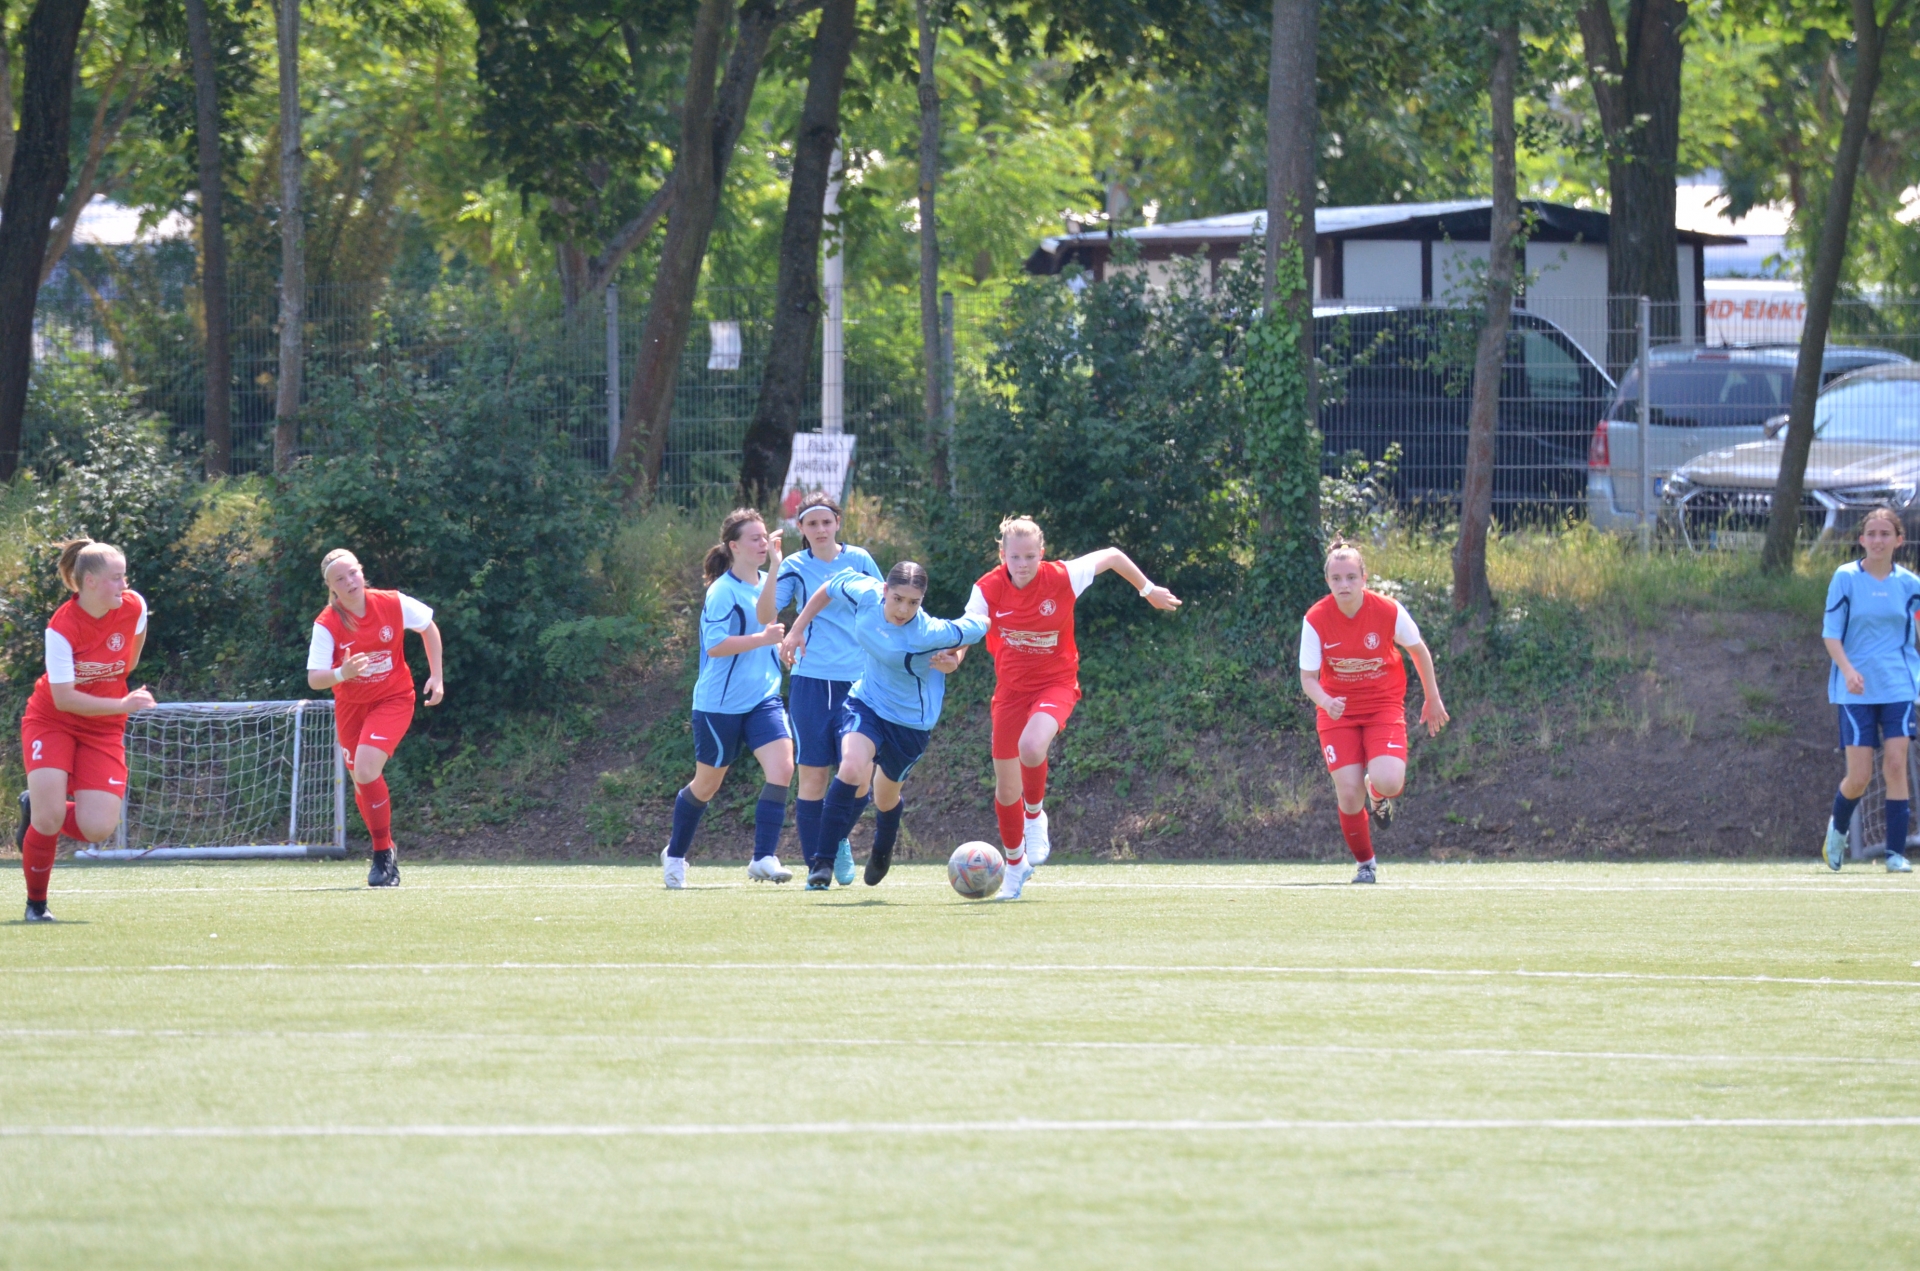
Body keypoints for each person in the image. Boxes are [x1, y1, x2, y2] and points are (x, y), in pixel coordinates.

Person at [947, 516, 1181, 901]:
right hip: (1010, 693)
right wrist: (954, 658)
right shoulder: (987, 588)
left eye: (1030, 556)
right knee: (1006, 789)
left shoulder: (1062, 576)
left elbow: (1113, 556)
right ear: (1002, 555)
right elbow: (968, 630)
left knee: (1031, 746)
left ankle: (1035, 816)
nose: (1023, 564)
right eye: (1015, 557)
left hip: (1055, 684)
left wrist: (1148, 589)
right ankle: (1015, 866)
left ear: (1042, 553)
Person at [780, 561, 984, 889]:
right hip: (867, 703)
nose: (903, 610)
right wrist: (797, 628)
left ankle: (882, 847)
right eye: (898, 599)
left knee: (885, 798)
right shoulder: (866, 593)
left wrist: (955, 659)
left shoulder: (929, 632)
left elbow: (976, 627)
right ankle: (822, 863)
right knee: (850, 766)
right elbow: (829, 587)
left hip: (910, 723)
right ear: (885, 590)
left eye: (914, 602)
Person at [14, 539, 156, 921]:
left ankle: (36, 804)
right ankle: (36, 904)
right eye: (115, 578)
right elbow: (64, 700)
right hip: (52, 720)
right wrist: (122, 705)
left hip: (103, 727)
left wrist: (114, 701)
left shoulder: (134, 606)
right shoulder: (61, 627)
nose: (124, 585)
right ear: (89, 582)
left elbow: (129, 660)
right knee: (48, 819)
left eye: (124, 576)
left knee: (97, 829)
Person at [1298, 540, 1449, 883]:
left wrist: (1432, 698)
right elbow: (1308, 679)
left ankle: (1377, 793)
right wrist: (1326, 701)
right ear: (1327, 581)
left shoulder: (1387, 610)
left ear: (1364, 578)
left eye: (1351, 577)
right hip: (1338, 714)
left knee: (1389, 781)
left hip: (1382, 706)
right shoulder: (1316, 619)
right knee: (1349, 794)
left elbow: (1418, 650)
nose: (1344, 585)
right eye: (1337, 578)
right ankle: (1366, 864)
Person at [663, 509, 795, 890]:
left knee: (783, 768)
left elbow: (769, 626)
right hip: (719, 706)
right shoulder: (721, 591)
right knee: (706, 785)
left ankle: (763, 857)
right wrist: (763, 639)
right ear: (734, 546)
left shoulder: (769, 582)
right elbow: (716, 645)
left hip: (763, 699)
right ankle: (675, 855)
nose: (763, 544)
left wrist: (782, 648)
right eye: (754, 538)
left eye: (765, 537)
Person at [306, 549, 445, 888]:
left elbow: (428, 627)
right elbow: (315, 678)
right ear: (331, 587)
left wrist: (437, 676)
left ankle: (383, 853)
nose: (349, 582)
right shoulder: (327, 623)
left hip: (392, 699)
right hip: (352, 707)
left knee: (367, 768)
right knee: (361, 781)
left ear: (361, 571)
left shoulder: (392, 602)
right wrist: (342, 673)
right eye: (340, 579)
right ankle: (385, 847)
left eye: (353, 573)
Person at [775, 494, 882, 888]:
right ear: (801, 529)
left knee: (861, 779)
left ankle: (833, 840)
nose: (820, 529)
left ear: (837, 523)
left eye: (826, 521)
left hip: (860, 683)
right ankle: (817, 870)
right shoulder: (794, 566)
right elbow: (766, 612)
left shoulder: (859, 560)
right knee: (813, 777)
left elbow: (885, 605)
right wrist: (773, 565)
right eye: (811, 523)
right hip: (812, 681)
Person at [1821, 506, 1920, 873]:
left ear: (1899, 540)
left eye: (1885, 534)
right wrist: (1848, 671)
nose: (1878, 540)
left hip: (1898, 686)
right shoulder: (1845, 578)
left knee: (1895, 765)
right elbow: (1831, 634)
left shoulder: (1910, 585)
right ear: (1862, 539)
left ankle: (1894, 853)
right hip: (1856, 692)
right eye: (1872, 534)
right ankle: (1837, 830)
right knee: (1860, 776)